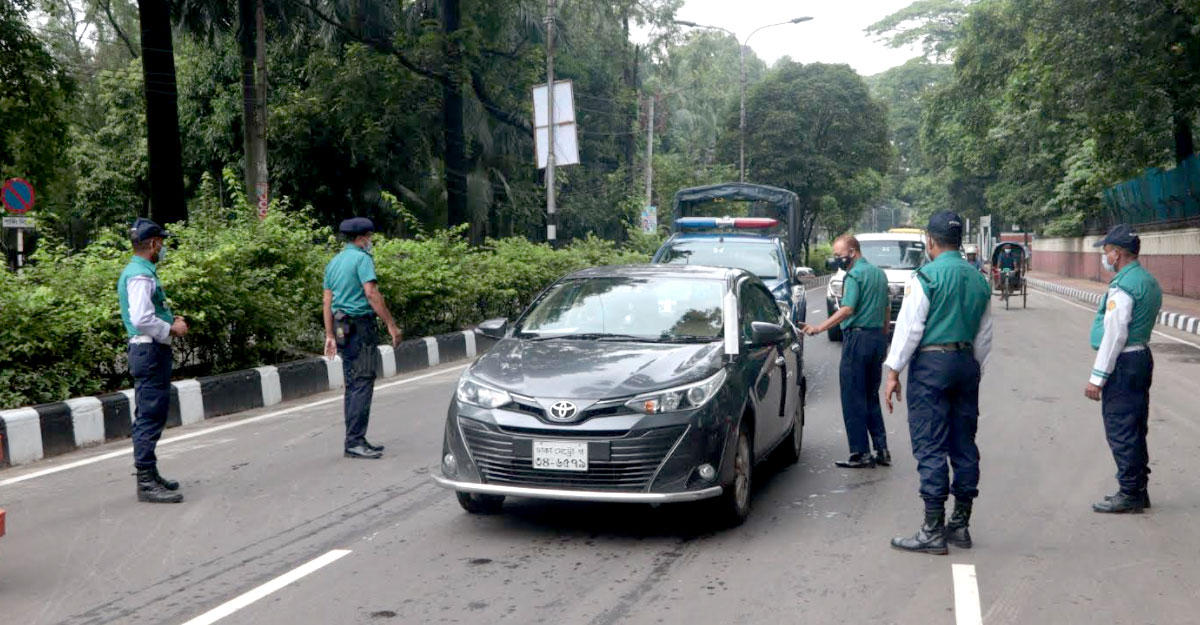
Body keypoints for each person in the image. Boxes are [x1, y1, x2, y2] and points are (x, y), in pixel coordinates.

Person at [883, 211, 993, 555]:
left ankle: (932, 529)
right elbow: (985, 335)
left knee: (930, 443)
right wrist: (973, 369)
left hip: (932, 364)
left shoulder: (926, 277)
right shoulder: (979, 280)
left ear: (929, 241)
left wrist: (892, 372)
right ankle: (960, 526)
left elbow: (910, 328)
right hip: (965, 362)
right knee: (964, 443)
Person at [1085, 224, 1162, 514]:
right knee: (1136, 425)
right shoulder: (1147, 280)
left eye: (1106, 252)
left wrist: (1097, 378)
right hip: (1141, 357)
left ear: (1117, 254)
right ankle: (1138, 489)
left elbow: (1115, 335)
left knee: (1121, 428)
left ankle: (1130, 492)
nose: (1104, 257)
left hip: (1125, 362)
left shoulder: (1124, 286)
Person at [118, 218, 189, 504]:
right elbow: (141, 319)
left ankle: (151, 473)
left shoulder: (142, 271)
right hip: (149, 351)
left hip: (149, 351)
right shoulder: (140, 274)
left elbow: (150, 312)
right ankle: (145, 482)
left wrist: (172, 320)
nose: (163, 245)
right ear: (153, 243)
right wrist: (172, 328)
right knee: (149, 416)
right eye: (161, 241)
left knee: (153, 413)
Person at [804, 235, 891, 468]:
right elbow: (886, 311)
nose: (836, 259)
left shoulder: (854, 275)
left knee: (853, 397)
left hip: (857, 340)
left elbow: (847, 309)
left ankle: (860, 453)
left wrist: (818, 327)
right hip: (876, 340)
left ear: (852, 252)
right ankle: (881, 450)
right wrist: (883, 341)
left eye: (838, 254)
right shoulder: (880, 275)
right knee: (871, 396)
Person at [323, 217, 402, 459]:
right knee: (363, 381)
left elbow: (327, 301)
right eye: (369, 237)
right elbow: (371, 293)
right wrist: (391, 325)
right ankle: (355, 442)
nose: (370, 242)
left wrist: (329, 335)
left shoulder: (334, 263)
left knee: (352, 381)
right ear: (361, 238)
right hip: (360, 325)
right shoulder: (362, 259)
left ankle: (355, 439)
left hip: (340, 325)